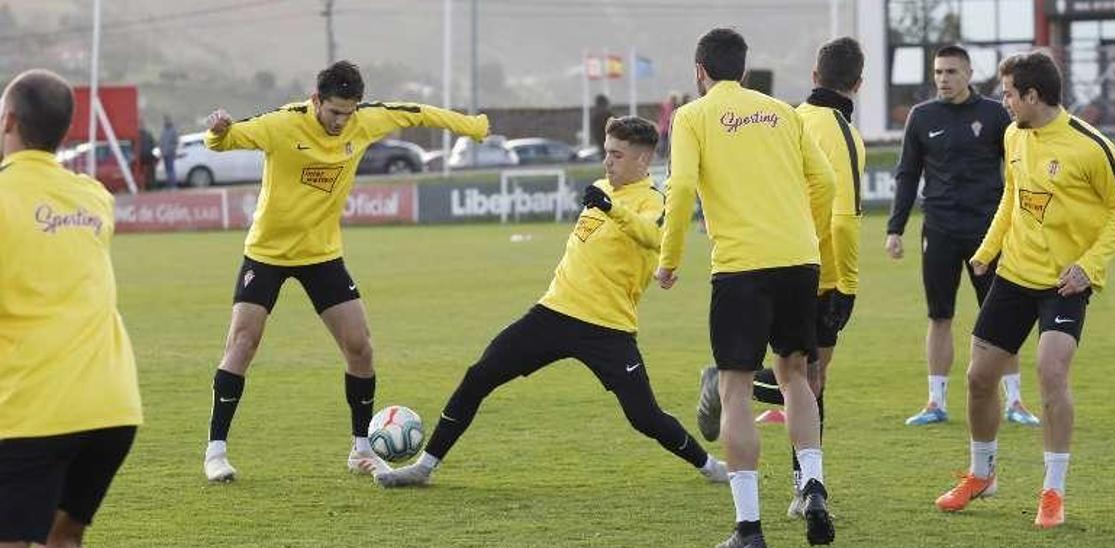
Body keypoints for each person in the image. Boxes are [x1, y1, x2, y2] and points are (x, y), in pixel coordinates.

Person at [365, 116, 728, 488]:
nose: (607, 162)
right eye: (606, 153)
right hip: (553, 313)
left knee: (644, 417)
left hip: (607, 328)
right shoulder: (602, 188)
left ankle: (710, 466)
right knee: (479, 376)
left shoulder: (655, 201)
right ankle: (424, 467)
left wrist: (611, 209)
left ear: (641, 160)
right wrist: (605, 204)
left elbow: (655, 236)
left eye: (617, 155)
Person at [199, 60, 489, 483]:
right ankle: (216, 451)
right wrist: (218, 129)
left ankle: (361, 449)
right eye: (334, 112)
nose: (341, 122)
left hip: (322, 254)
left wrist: (474, 127)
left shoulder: (362, 121)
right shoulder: (282, 124)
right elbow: (223, 141)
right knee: (243, 341)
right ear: (315, 100)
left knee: (360, 347)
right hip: (267, 252)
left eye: (348, 113)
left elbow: (419, 112)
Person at [933, 50, 1115, 529]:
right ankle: (982, 474)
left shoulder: (1092, 146)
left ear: (1032, 95)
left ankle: (1053, 491)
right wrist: (986, 250)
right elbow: (1013, 196)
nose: (1002, 101)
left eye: (1008, 93)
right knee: (978, 378)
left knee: (1050, 373)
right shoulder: (1013, 135)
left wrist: (1089, 267)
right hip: (1014, 274)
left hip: (1064, 284)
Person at [656, 28, 837, 548]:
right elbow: (823, 182)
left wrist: (670, 260)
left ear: (699, 71)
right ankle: (814, 485)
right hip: (799, 258)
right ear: (744, 67)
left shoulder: (692, 116)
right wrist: (801, 228)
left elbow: (683, 186)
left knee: (734, 388)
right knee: (795, 376)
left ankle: (748, 527)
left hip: (741, 266)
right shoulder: (784, 111)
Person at [694, 36, 866, 521]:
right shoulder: (838, 131)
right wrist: (844, 284)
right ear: (859, 84)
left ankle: (797, 487)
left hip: (763, 259)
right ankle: (806, 486)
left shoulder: (785, 116)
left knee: (798, 377)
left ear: (814, 76)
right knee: (809, 379)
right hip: (817, 268)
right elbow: (845, 216)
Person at [0, 69, 143, 548]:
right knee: (64, 538)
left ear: (7, 122)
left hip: (35, 407)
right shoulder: (94, 197)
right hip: (113, 404)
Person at [886, 45, 1040, 427]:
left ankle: (1015, 401)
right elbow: (907, 175)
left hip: (988, 231)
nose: (943, 79)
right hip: (938, 229)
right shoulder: (921, 117)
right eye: (938, 72)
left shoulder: (993, 114)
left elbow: (1019, 167)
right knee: (939, 316)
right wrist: (895, 228)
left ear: (969, 74)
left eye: (952, 72)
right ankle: (935, 402)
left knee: (1001, 315)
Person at [159, 115, 179, 189]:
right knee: (167, 170)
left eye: (167, 120)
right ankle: (169, 185)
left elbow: (176, 142)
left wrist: (172, 149)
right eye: (165, 120)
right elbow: (161, 141)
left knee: (171, 169)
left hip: (170, 153)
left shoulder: (173, 130)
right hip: (164, 153)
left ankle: (173, 185)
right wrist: (161, 150)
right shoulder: (163, 130)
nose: (166, 122)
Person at [137, 122, 157, 189]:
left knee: (141, 172)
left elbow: (133, 145)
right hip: (148, 155)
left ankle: (144, 186)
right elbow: (154, 144)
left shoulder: (137, 135)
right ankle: (152, 186)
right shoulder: (148, 134)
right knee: (151, 172)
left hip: (141, 156)